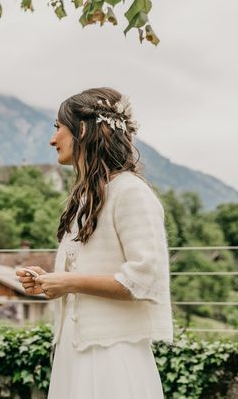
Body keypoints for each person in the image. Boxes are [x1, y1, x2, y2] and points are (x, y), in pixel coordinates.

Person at [16, 87, 172, 399]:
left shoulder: (130, 193)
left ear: (82, 130)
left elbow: (145, 279)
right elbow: (92, 273)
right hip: (74, 350)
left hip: (111, 358)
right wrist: (50, 283)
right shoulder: (86, 199)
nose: (52, 139)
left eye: (58, 127)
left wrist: (70, 282)